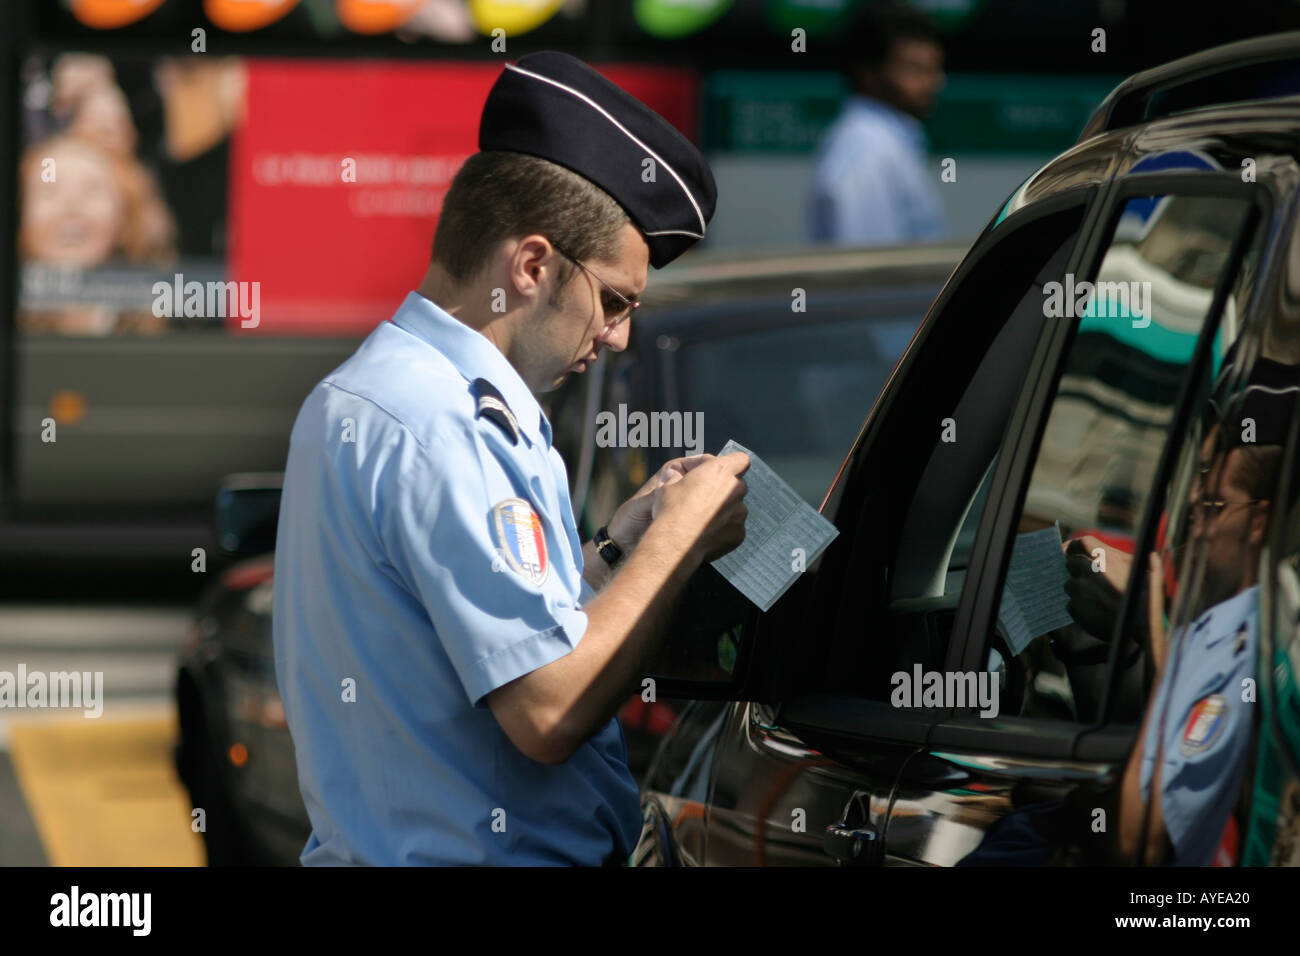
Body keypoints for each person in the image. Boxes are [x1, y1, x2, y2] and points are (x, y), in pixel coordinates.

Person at [271, 51, 750, 866]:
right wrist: (681, 542)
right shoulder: (443, 422)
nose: (618, 335)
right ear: (531, 266)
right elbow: (549, 713)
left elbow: (479, 640)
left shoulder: (393, 392)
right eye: (613, 300)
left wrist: (613, 553)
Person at [806, 3, 947, 246]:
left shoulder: (882, 142)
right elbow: (868, 275)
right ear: (868, 74)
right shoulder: (865, 150)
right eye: (915, 69)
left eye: (934, 69)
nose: (934, 83)